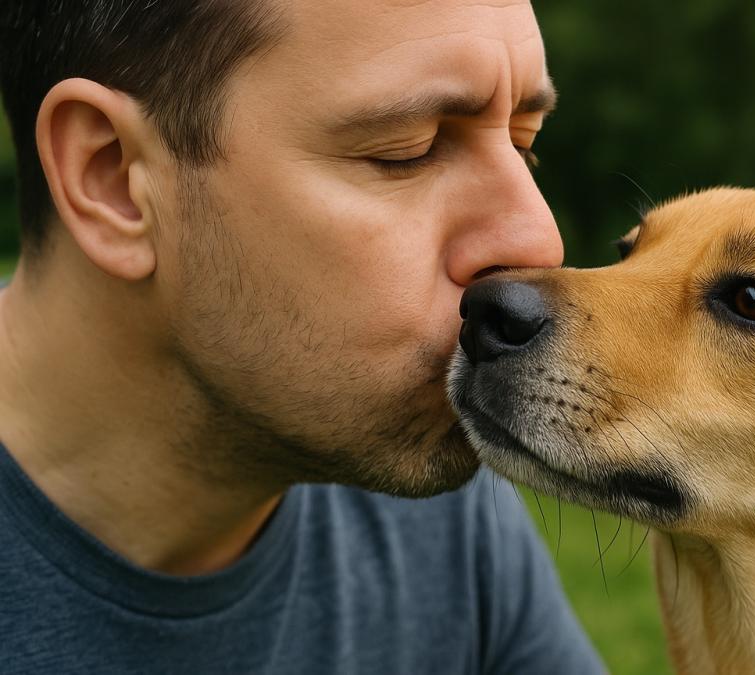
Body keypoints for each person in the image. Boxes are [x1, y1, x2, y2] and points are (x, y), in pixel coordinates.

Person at [0, 1, 605, 672]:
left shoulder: (439, 527)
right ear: (112, 177)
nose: (538, 240)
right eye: (405, 150)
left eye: (524, 144)